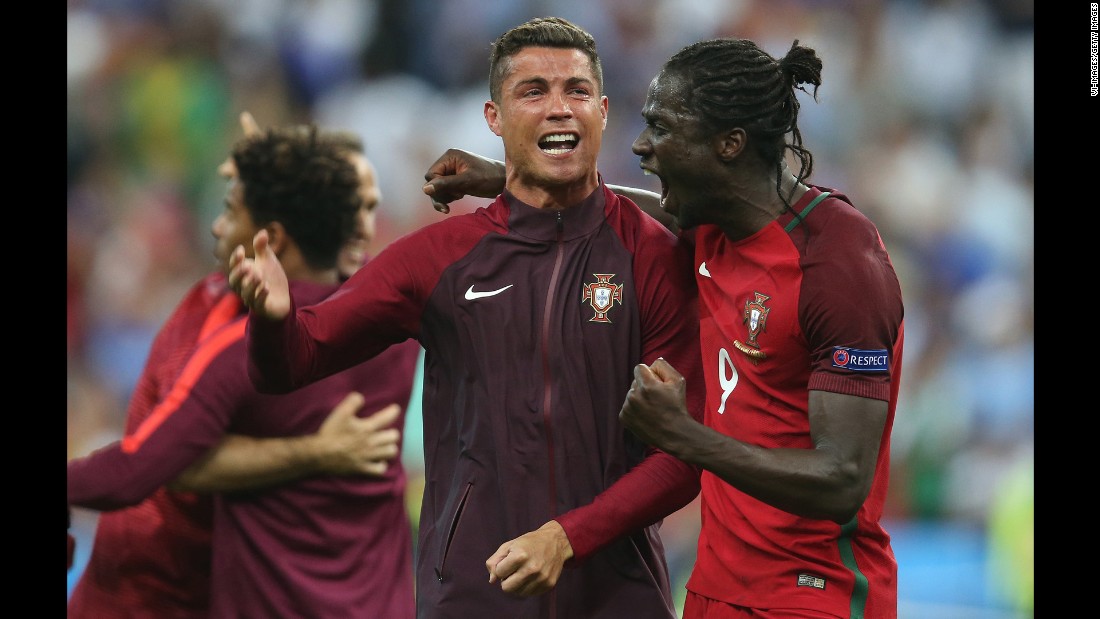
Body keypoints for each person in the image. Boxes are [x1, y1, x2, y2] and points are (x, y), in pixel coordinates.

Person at [228, 16, 705, 619]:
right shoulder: (441, 257)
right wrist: (272, 318)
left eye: (576, 91)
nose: (560, 108)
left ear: (604, 111)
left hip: (617, 597)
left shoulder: (654, 258)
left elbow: (683, 456)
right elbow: (292, 360)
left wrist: (566, 537)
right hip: (474, 595)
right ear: (494, 119)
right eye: (533, 92)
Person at [422, 36, 904, 619]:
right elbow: (643, 212)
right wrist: (511, 176)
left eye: (663, 128)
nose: (642, 145)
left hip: (813, 597)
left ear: (728, 145)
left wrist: (683, 437)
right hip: (713, 592)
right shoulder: (716, 227)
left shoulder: (839, 265)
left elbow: (842, 479)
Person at [67, 121, 421, 618]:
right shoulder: (401, 328)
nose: (216, 224)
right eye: (357, 206)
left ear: (270, 236)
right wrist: (316, 452)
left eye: (230, 208)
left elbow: (145, 468)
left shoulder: (236, 352)